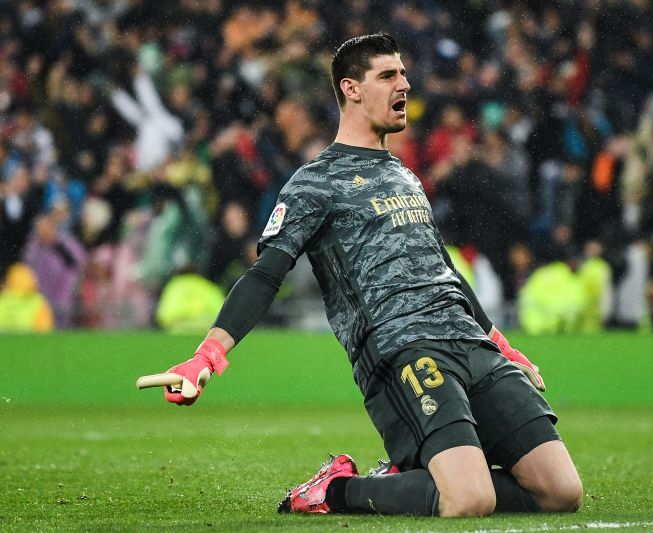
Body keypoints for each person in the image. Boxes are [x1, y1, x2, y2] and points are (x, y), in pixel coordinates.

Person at [138, 33, 582, 517]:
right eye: (389, 75)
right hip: (403, 350)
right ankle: (335, 491)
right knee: (469, 499)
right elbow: (266, 274)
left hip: (469, 345)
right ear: (351, 89)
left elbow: (442, 269)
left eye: (404, 74)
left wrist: (499, 341)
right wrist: (208, 354)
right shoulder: (314, 182)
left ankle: (413, 480)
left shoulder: (405, 174)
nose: (405, 85)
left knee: (561, 492)